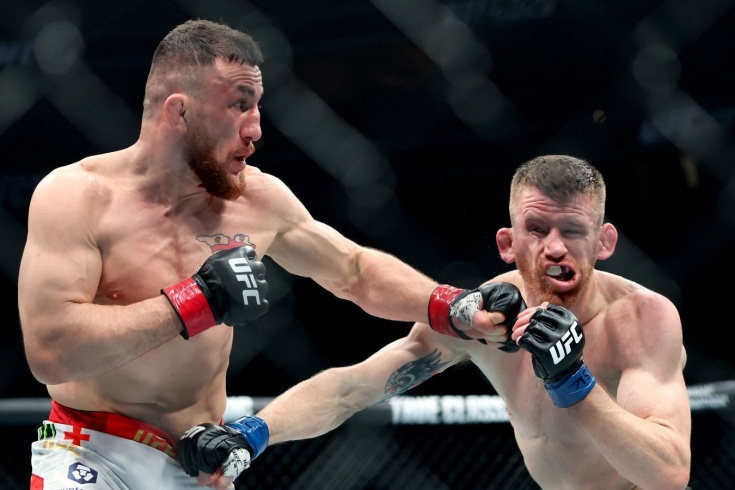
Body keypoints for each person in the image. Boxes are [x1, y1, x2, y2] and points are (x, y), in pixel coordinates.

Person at [17, 19, 520, 490]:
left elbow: (354, 270)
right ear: (179, 112)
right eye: (239, 105)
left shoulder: (256, 198)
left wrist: (453, 305)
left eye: (257, 106)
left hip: (200, 461)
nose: (256, 129)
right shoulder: (77, 196)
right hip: (92, 450)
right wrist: (194, 302)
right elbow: (50, 353)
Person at [179, 155, 692, 490]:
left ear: (604, 242)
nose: (554, 248)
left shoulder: (641, 319)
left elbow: (668, 472)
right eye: (536, 229)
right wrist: (253, 433)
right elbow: (353, 388)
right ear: (507, 243)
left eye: (573, 230)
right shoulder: (485, 318)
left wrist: (571, 380)